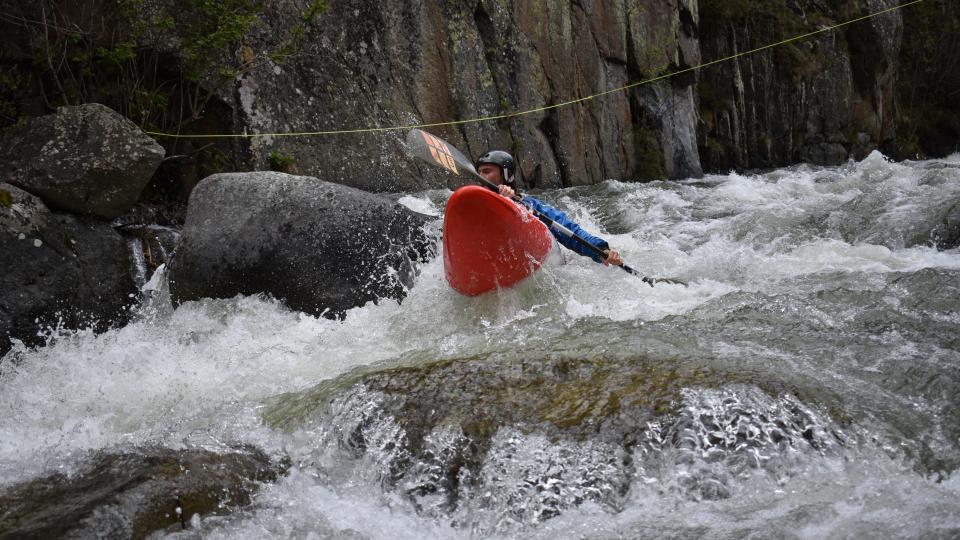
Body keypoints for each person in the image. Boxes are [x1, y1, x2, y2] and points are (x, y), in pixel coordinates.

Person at [475, 150, 623, 267]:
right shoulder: (471, 202)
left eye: (487, 171)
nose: (481, 176)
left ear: (506, 175)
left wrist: (602, 250)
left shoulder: (530, 206)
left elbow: (567, 229)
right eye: (479, 172)